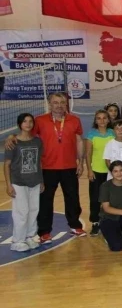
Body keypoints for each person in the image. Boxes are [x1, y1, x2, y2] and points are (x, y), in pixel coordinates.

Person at [4, 92, 85, 242]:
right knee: (45, 201)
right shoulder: (40, 120)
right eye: (55, 102)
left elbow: (79, 140)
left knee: (73, 198)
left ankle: (75, 226)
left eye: (62, 102)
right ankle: (44, 232)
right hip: (47, 167)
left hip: (69, 166)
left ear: (66, 104)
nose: (59, 105)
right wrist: (12, 136)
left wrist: (80, 161)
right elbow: (26, 132)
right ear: (49, 104)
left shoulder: (75, 120)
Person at [4, 113, 43, 252]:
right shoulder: (13, 142)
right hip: (18, 182)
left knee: (33, 210)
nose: (28, 124)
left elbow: (38, 162)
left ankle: (29, 237)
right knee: (22, 212)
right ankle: (17, 241)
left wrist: (41, 180)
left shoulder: (37, 141)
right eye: (25, 121)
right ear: (19, 124)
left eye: (30, 121)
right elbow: (7, 164)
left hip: (35, 181)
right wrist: (8, 185)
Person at [85, 110, 114, 237]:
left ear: (108, 120)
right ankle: (95, 222)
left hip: (111, 172)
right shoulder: (91, 134)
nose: (102, 120)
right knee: (95, 198)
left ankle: (110, 220)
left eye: (104, 118)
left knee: (111, 198)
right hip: (96, 171)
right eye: (99, 118)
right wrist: (89, 170)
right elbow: (88, 153)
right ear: (95, 120)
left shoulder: (112, 133)